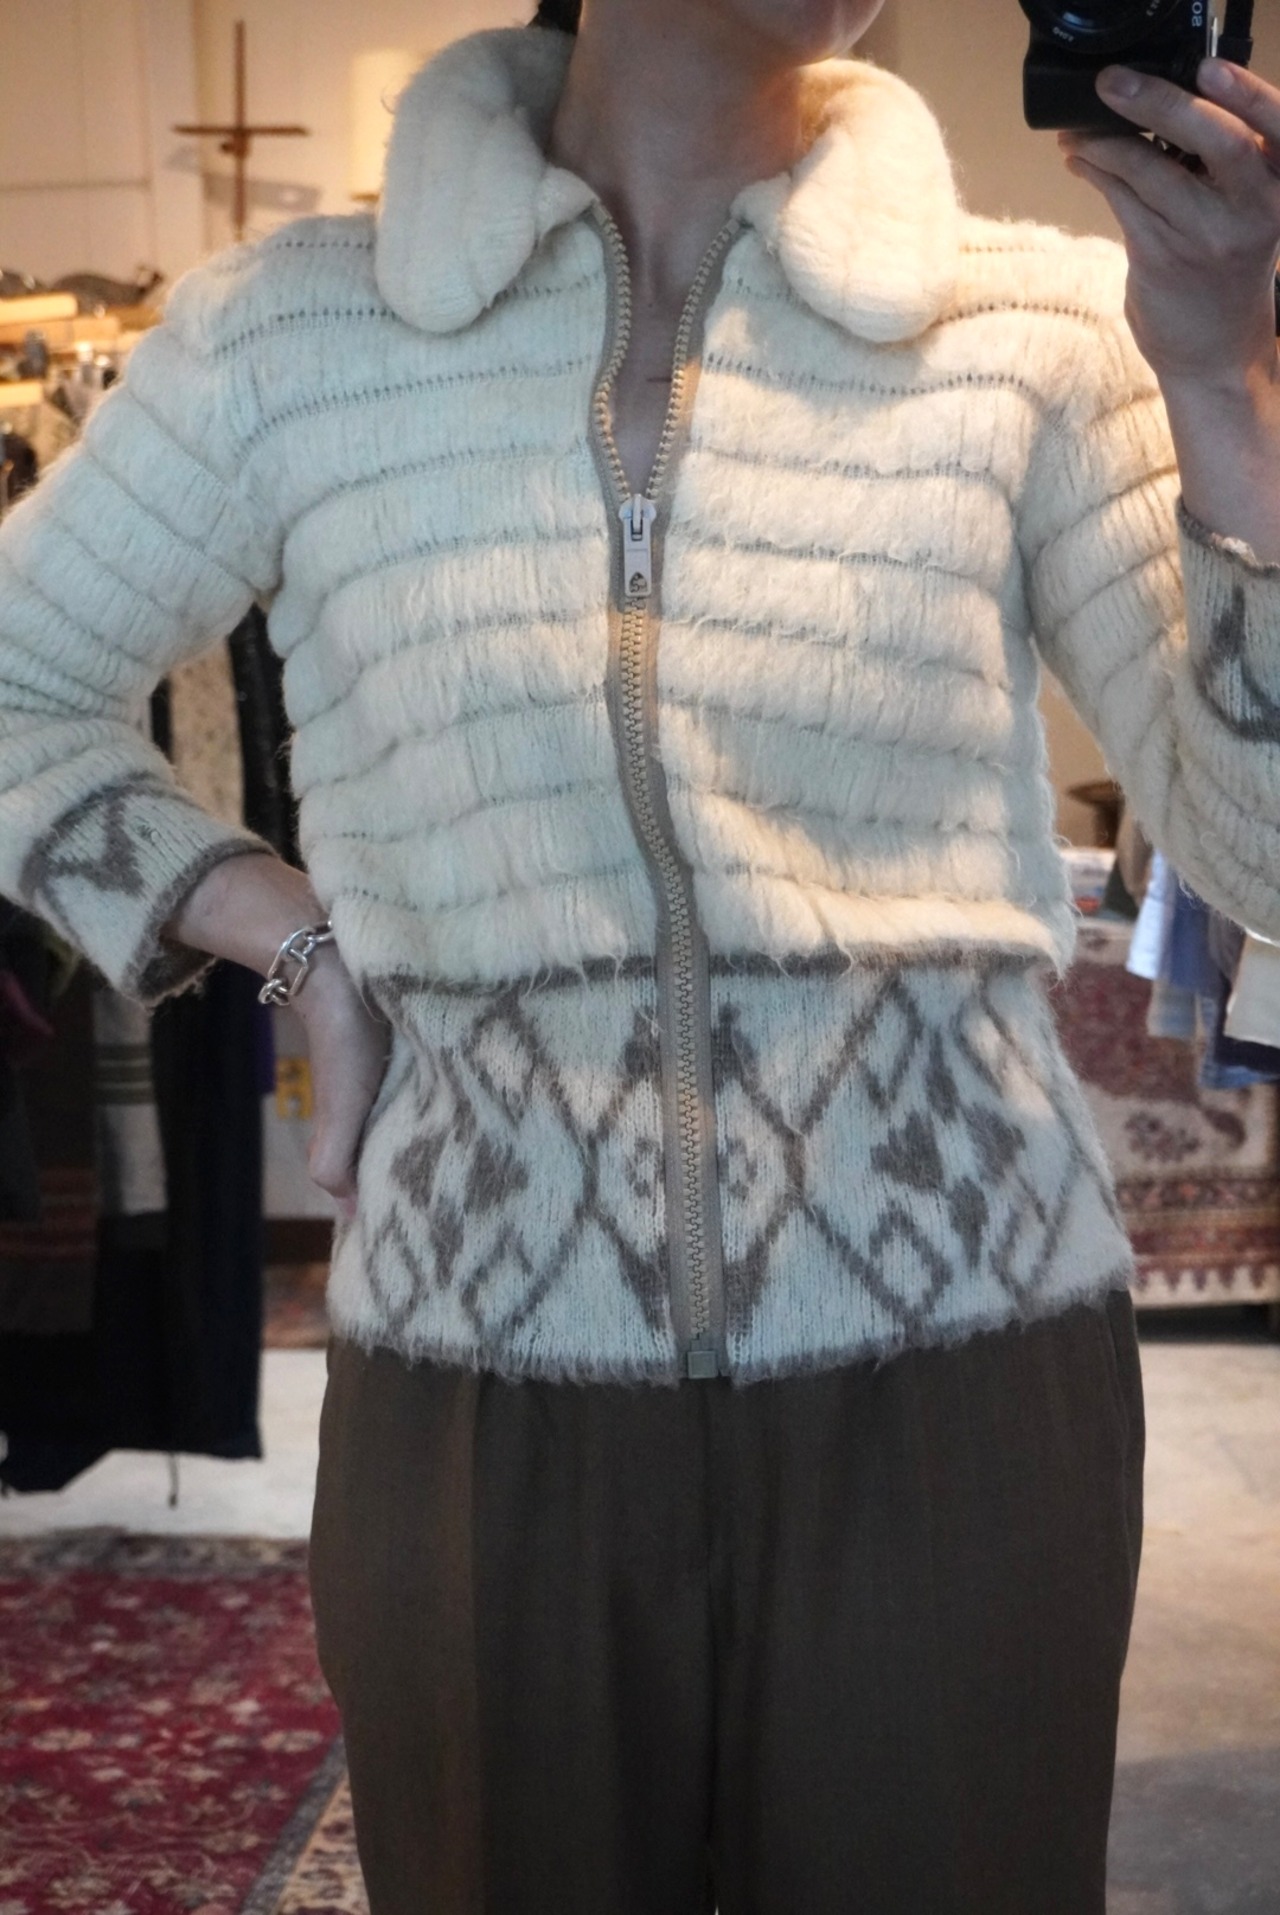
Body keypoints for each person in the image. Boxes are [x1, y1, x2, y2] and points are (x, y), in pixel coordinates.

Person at [2, 0, 1279, 1907]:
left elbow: (1259, 852)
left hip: (961, 1391)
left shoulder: (1038, 324)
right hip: (480, 1402)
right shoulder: (294, 334)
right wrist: (293, 943)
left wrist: (1223, 387)